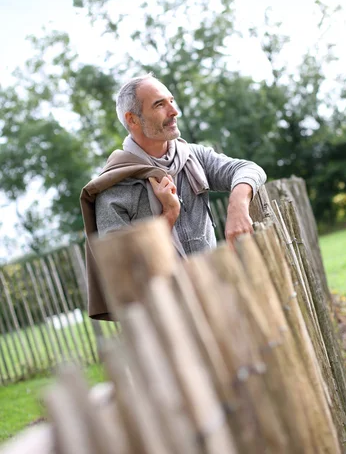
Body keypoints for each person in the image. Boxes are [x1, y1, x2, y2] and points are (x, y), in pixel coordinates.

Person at [80, 74, 266, 320]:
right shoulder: (113, 190)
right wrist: (168, 216)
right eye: (159, 104)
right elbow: (123, 274)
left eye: (171, 101)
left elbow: (249, 169)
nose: (174, 111)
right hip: (168, 322)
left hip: (218, 300)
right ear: (132, 119)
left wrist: (237, 206)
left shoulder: (192, 157)